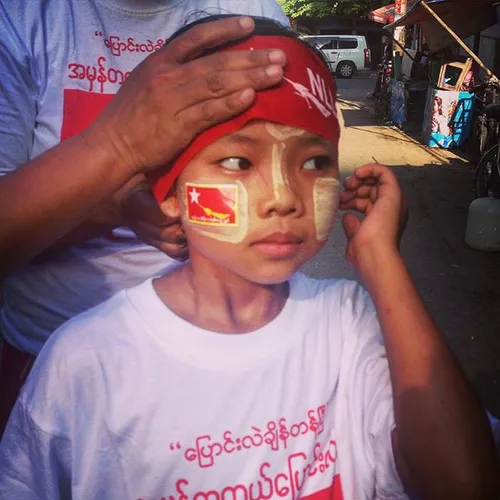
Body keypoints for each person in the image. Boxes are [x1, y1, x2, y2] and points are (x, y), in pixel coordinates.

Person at [0, 16, 498, 500]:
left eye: (314, 162)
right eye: (237, 161)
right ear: (168, 192)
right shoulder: (86, 362)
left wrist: (383, 262)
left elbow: (464, 483)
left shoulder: (348, 323)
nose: (282, 198)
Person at [0, 0, 289, 435]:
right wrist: (118, 166)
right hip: (42, 358)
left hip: (218, 362)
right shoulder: (23, 17)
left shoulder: (252, 10)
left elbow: (281, 172)